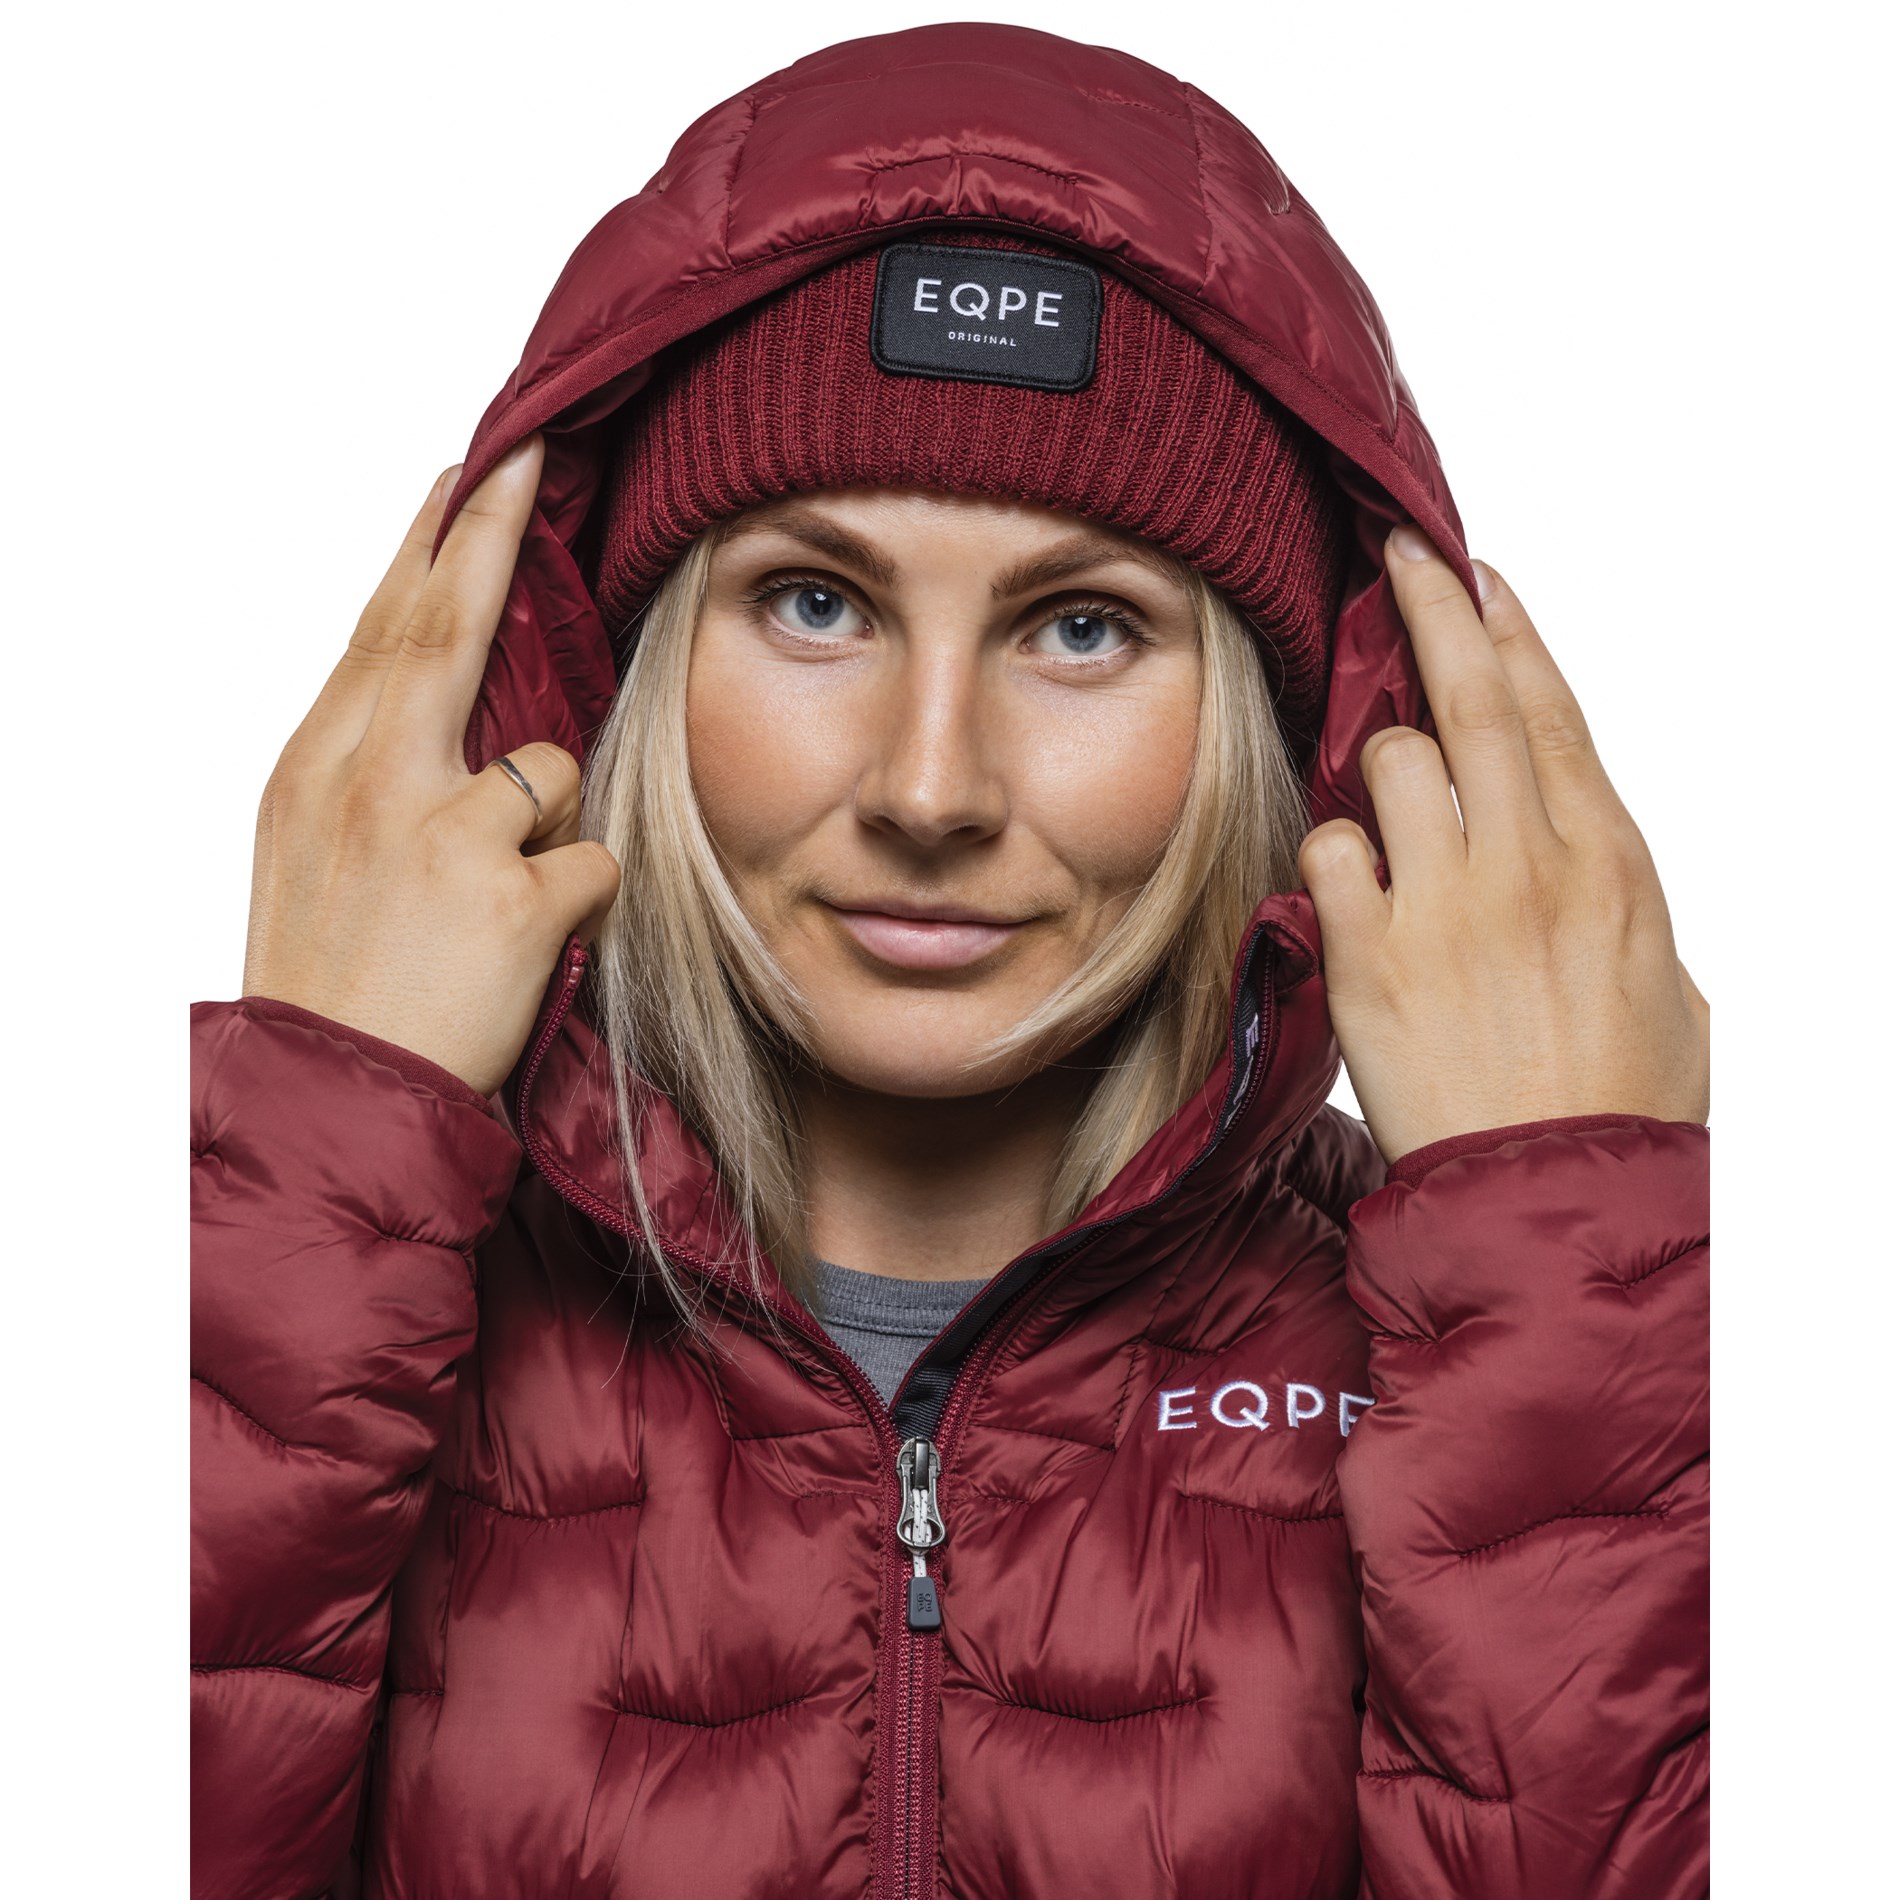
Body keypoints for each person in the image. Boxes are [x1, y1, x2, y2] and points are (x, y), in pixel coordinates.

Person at [190, 22, 1709, 1899]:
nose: (931, 788)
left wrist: (1570, 1284)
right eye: (812, 602)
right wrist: (306, 1159)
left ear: (1285, 730)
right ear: (618, 675)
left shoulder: (1518, 1333)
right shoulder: (337, 1269)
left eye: (1083, 630)